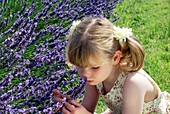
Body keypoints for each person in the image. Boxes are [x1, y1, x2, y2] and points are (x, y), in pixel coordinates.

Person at [53, 17, 170, 114]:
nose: (84, 73)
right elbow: (88, 109)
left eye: (94, 67)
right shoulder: (94, 77)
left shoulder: (133, 83)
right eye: (79, 65)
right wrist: (70, 106)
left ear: (115, 58)